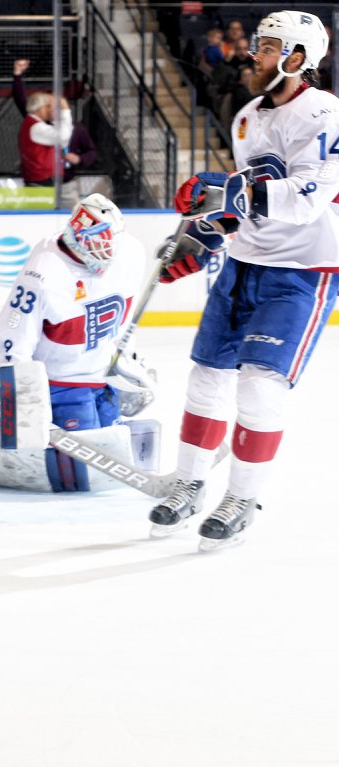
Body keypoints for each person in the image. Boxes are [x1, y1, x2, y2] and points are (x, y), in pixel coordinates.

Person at [151, 11, 339, 551]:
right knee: (206, 378)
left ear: (298, 57)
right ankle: (188, 484)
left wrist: (223, 194)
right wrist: (207, 233)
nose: (254, 53)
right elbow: (246, 200)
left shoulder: (324, 113)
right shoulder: (248, 116)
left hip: (303, 273)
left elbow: (305, 202)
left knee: (259, 384)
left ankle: (241, 498)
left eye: (268, 45)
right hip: (246, 263)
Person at [0, 193, 157, 492]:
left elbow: (123, 317)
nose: (106, 253)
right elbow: (8, 336)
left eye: (110, 243)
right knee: (78, 476)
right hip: (61, 383)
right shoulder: (45, 271)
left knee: (113, 455)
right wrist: (23, 398)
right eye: (98, 243)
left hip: (103, 377)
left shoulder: (131, 251)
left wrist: (129, 360)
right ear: (77, 235)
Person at [12, 59, 97, 186]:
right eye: (49, 105)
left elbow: (92, 151)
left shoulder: (77, 128)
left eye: (55, 105)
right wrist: (17, 75)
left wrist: (80, 159)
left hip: (67, 182)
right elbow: (21, 101)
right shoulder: (39, 124)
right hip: (45, 182)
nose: (52, 109)